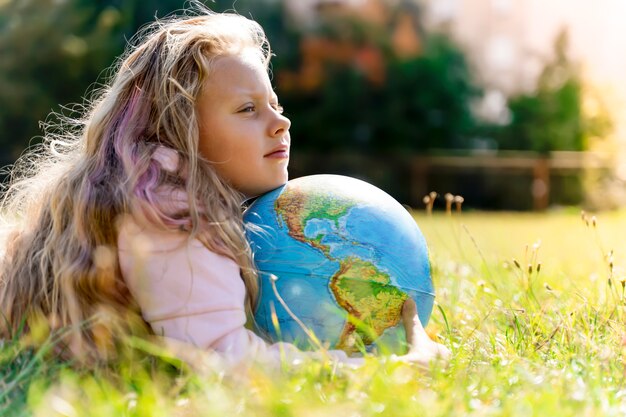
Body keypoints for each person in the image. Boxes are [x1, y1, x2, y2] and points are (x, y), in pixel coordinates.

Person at [0, 8, 449, 368]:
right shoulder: (171, 213)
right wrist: (374, 370)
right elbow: (221, 359)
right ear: (179, 129)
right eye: (248, 109)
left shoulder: (158, 191)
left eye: (275, 104)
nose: (281, 122)